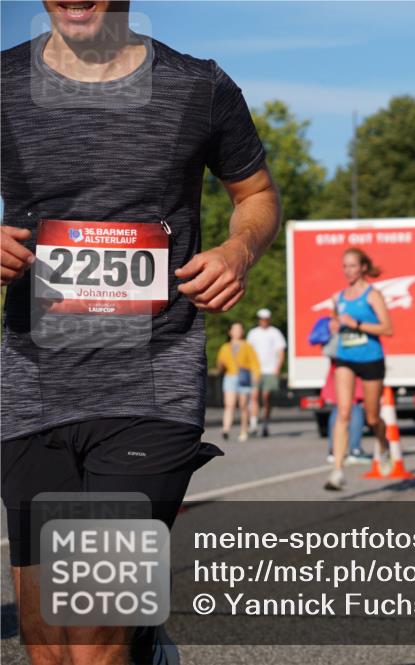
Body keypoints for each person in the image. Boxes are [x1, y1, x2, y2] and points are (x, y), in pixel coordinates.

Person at [0, 4, 280, 663]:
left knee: (93, 634)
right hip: (30, 384)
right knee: (46, 642)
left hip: (150, 383)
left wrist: (238, 251)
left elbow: (257, 195)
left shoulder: (199, 86)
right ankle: (147, 644)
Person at [325, 247, 394, 490]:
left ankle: (383, 445)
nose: (348, 271)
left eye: (353, 266)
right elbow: (337, 322)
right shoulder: (339, 298)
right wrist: (335, 325)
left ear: (363, 267)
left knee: (373, 417)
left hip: (371, 360)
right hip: (346, 358)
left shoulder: (372, 295)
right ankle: (337, 471)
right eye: (345, 266)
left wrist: (357, 324)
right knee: (344, 411)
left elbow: (388, 329)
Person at [217, 322, 261, 442]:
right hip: (230, 376)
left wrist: (256, 379)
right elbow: (220, 365)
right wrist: (220, 365)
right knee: (229, 404)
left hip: (244, 377)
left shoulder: (247, 346)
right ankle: (226, 429)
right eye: (235, 329)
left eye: (239, 329)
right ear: (230, 332)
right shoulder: (225, 347)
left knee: (243, 405)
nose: (237, 331)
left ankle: (244, 430)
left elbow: (254, 363)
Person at [247, 307, 286, 437]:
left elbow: (280, 352)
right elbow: (249, 352)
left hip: (270, 370)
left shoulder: (275, 333)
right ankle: (253, 424)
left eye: (265, 319)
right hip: (256, 370)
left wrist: (277, 369)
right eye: (261, 319)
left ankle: (265, 423)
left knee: (266, 398)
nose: (263, 321)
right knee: (254, 396)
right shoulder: (253, 333)